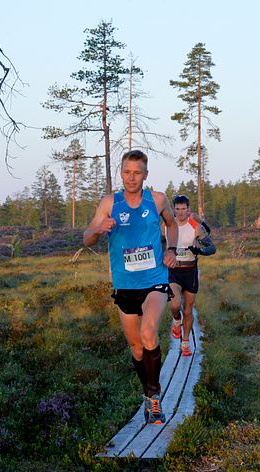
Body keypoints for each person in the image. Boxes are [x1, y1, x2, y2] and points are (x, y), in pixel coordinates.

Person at [84, 150, 178, 425]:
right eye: (127, 172)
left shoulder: (157, 199)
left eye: (137, 172)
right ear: (121, 173)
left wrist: (171, 248)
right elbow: (87, 238)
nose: (131, 177)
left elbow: (171, 224)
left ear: (145, 175)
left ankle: (154, 396)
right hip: (125, 285)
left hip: (154, 280)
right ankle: (147, 391)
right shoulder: (109, 203)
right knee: (137, 349)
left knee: (149, 333)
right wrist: (100, 228)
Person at [168, 195, 216, 356]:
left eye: (183, 209)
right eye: (177, 209)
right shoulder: (167, 226)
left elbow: (212, 247)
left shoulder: (194, 226)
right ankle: (176, 320)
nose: (180, 213)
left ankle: (186, 342)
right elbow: (157, 241)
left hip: (190, 271)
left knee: (188, 311)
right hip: (174, 270)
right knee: (175, 304)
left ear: (188, 210)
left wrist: (200, 250)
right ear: (173, 210)